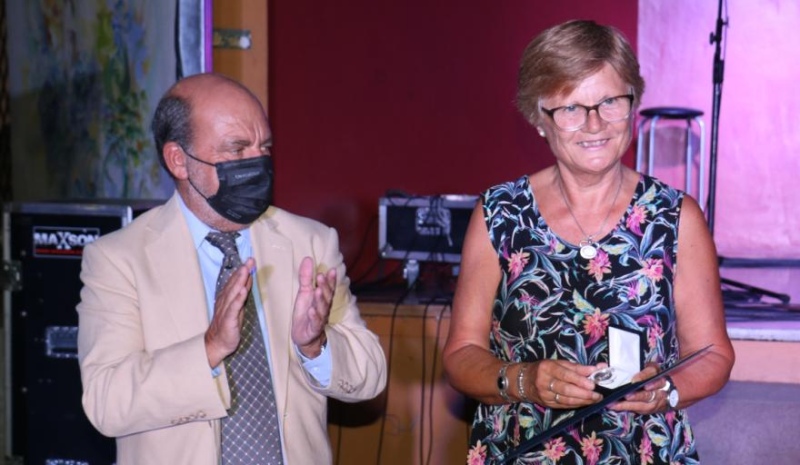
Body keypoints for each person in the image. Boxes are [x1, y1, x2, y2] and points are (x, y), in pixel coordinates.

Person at [442, 19, 735, 464]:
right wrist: (525, 379)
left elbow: (713, 356)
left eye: (610, 101)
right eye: (572, 108)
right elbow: (462, 355)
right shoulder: (499, 214)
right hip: (523, 451)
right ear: (539, 119)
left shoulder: (676, 217)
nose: (595, 124)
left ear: (633, 103)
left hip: (644, 451)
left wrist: (665, 392)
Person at [76, 73, 387, 465]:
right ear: (179, 160)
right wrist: (208, 349)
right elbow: (108, 401)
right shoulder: (119, 259)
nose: (256, 163)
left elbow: (370, 376)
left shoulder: (309, 242)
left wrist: (315, 346)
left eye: (264, 147)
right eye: (237, 150)